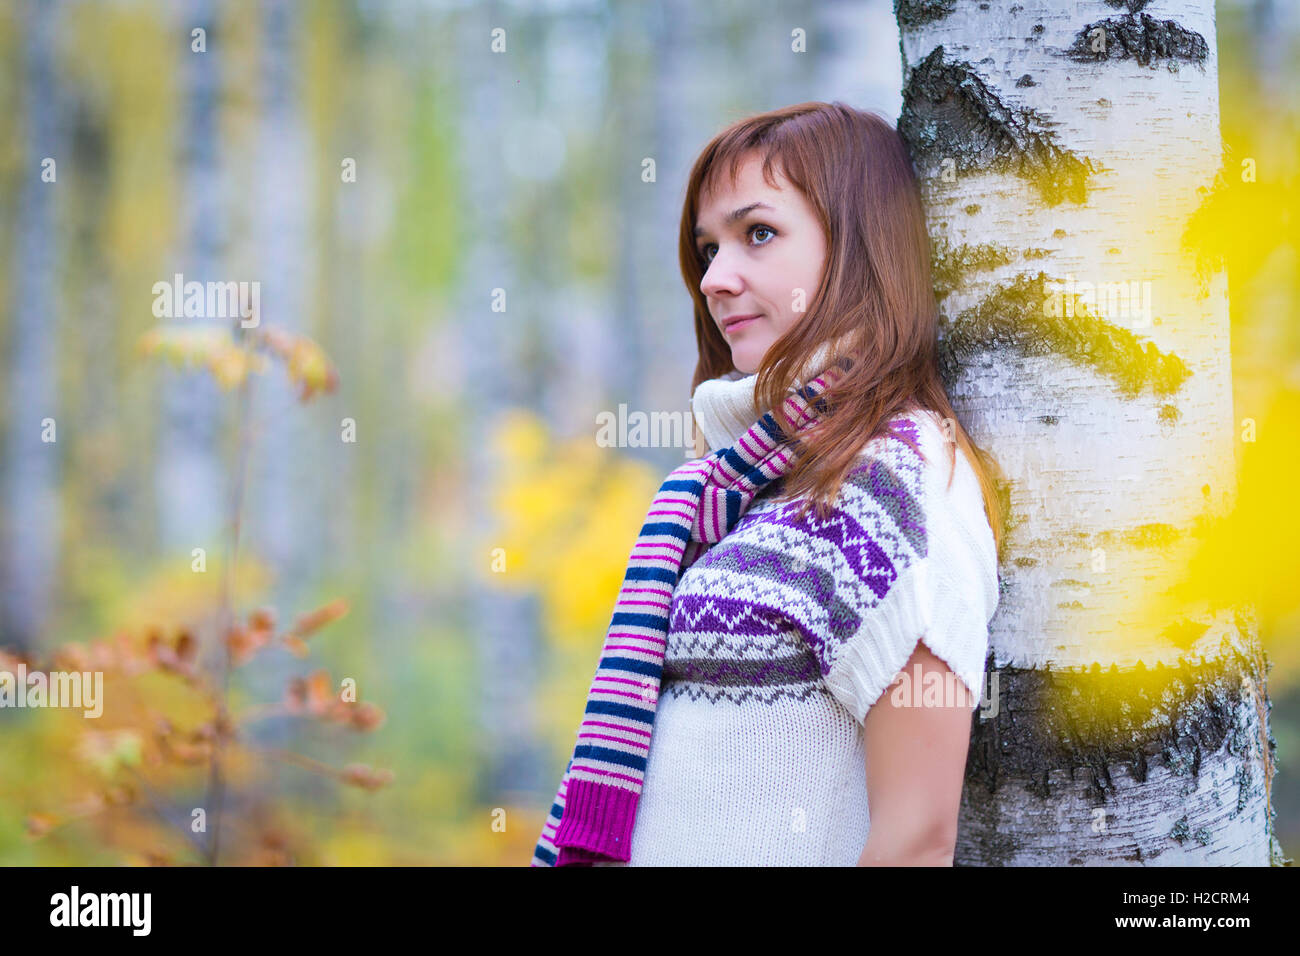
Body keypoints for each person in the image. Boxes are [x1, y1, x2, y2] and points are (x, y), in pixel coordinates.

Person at [533, 101, 1004, 867]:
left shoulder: (889, 478)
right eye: (707, 249)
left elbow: (917, 837)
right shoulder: (747, 489)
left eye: (758, 234)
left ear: (860, 248)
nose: (716, 280)